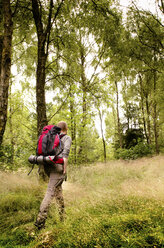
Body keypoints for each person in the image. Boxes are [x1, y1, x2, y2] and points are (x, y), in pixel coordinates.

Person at [34, 121, 72, 230]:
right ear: (66, 128)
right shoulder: (66, 138)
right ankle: (40, 222)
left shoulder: (51, 136)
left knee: (58, 190)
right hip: (58, 167)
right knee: (50, 191)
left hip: (48, 166)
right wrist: (64, 170)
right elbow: (65, 154)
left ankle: (62, 215)